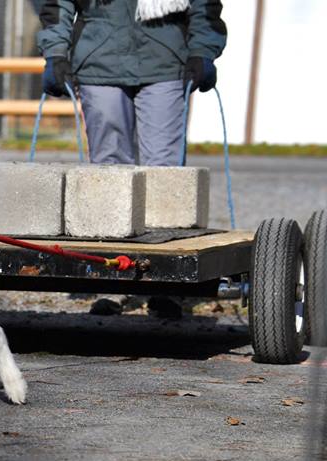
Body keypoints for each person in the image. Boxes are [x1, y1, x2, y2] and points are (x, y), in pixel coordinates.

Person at [38, 0, 227, 317]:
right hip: (99, 63)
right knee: (110, 175)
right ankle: (115, 280)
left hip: (165, 62)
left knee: (163, 176)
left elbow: (204, 6)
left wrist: (203, 50)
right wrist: (55, 53)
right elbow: (58, 5)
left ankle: (165, 285)